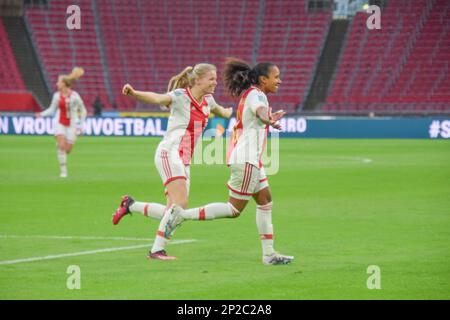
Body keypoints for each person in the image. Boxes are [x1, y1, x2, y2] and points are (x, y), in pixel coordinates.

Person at [163, 58, 294, 265]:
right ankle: (181, 215)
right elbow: (259, 109)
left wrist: (268, 117)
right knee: (233, 210)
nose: (279, 81)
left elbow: (257, 115)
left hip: (251, 161)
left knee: (266, 202)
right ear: (263, 79)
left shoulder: (253, 94)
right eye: (275, 77)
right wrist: (266, 116)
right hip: (246, 160)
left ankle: (269, 254)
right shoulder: (256, 94)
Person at [112, 63, 232, 260]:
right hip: (169, 152)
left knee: (174, 211)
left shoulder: (208, 100)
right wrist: (133, 93)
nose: (215, 82)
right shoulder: (180, 96)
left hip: (184, 160)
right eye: (211, 78)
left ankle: (130, 205)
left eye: (216, 78)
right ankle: (156, 250)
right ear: (198, 80)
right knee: (180, 204)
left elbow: (219, 111)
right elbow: (157, 97)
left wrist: (227, 113)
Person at [35, 67, 87, 178]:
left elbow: (83, 110)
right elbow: (52, 110)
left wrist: (81, 125)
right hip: (59, 123)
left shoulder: (75, 96)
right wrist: (41, 114)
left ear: (64, 84)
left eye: (58, 81)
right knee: (62, 146)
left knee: (67, 150)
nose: (57, 83)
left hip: (72, 124)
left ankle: (61, 146)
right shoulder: (56, 96)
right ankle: (63, 172)